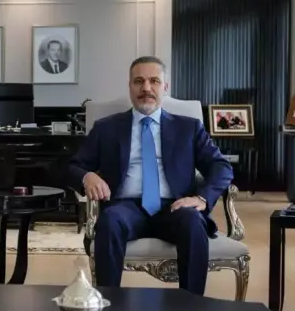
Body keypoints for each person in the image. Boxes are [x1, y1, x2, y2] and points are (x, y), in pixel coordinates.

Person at [67, 56, 233, 295]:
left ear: (165, 87)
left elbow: (221, 166)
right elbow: (73, 166)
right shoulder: (106, 128)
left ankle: (192, 306)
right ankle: (109, 304)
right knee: (109, 221)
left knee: (193, 222)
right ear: (130, 86)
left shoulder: (189, 128)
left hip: (174, 206)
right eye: (139, 81)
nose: (146, 88)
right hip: (125, 207)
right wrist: (87, 177)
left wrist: (202, 198)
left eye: (154, 81)